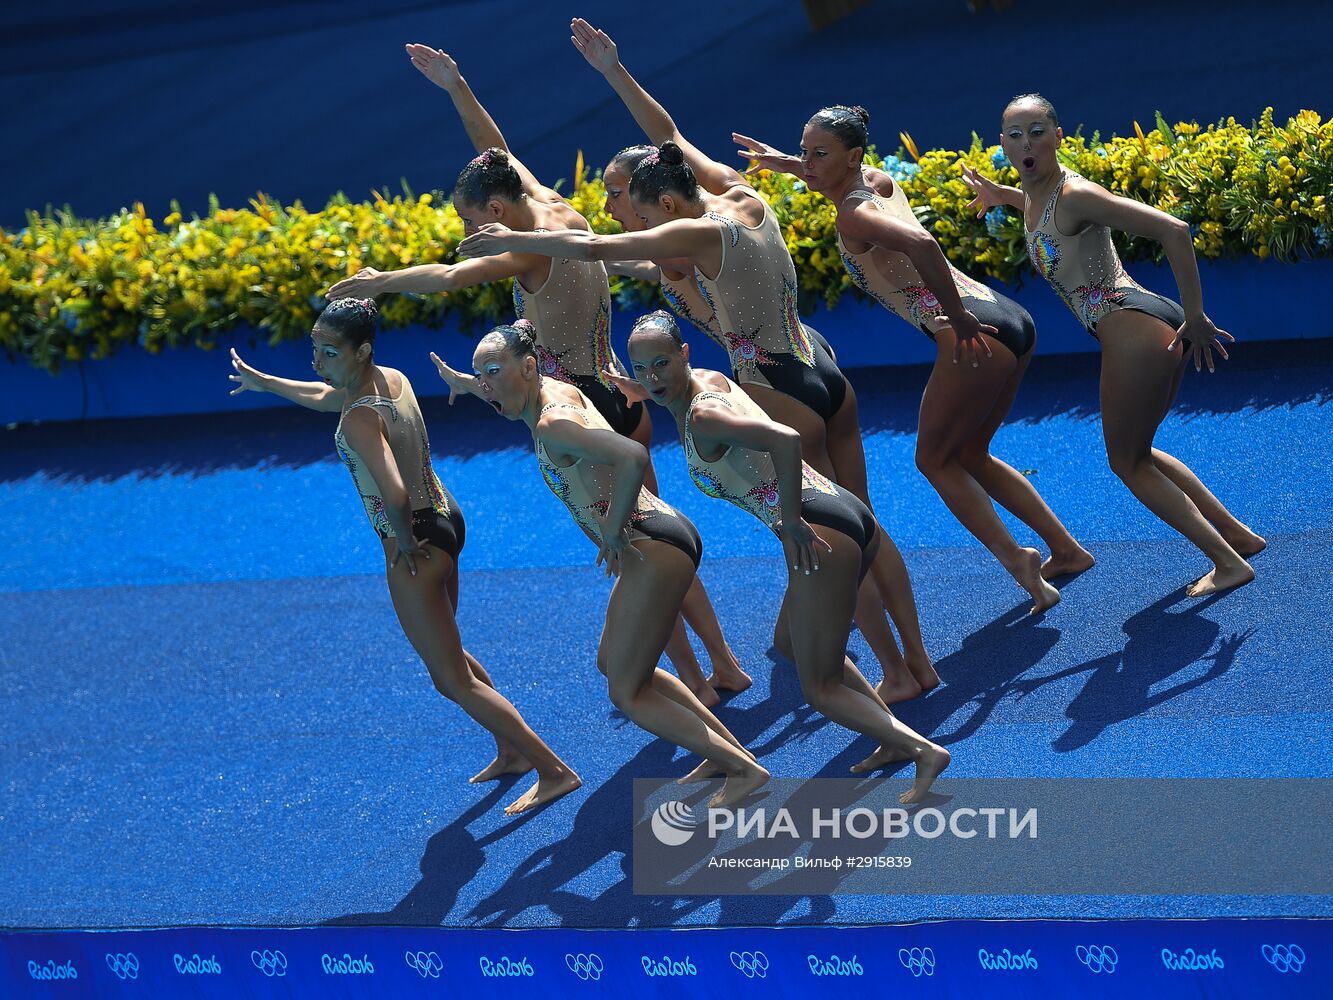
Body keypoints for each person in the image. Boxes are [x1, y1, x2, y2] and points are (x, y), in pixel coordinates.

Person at [465, 20, 939, 704]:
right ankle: (912, 660)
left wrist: (522, 242)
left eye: (618, 194)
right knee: (857, 521)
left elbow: (595, 244)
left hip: (777, 386)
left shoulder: (682, 232)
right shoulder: (738, 197)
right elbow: (670, 135)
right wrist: (613, 71)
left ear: (656, 194)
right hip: (818, 363)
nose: (609, 205)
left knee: (826, 535)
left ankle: (896, 672)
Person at [328, 45, 748, 702]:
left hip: (576, 412)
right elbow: (494, 151)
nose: (472, 231)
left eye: (473, 219)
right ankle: (720, 662)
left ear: (495, 212)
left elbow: (449, 277)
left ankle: (692, 682)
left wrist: (381, 282)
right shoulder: (554, 208)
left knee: (636, 554)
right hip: (621, 395)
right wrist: (457, 85)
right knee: (659, 529)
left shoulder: (523, 253)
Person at [227, 299, 580, 815]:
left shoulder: (357, 422)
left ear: (360, 351)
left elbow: (392, 494)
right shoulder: (390, 380)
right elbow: (329, 396)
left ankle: (552, 769)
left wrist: (402, 542)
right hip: (446, 516)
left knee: (449, 678)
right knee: (451, 651)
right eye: (315, 349)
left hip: (414, 542)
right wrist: (270, 383)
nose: (317, 362)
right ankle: (511, 749)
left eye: (329, 352)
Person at [734, 107, 1094, 613]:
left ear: (851, 155)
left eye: (818, 154)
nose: (807, 163)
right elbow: (839, 180)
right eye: (804, 151)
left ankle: (1020, 564)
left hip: (971, 333)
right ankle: (1067, 550)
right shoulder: (876, 182)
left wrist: (958, 320)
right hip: (1010, 318)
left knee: (933, 460)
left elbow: (922, 242)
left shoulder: (854, 215)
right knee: (970, 453)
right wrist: (784, 163)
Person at [432, 320, 769, 808]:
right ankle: (725, 753)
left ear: (528, 367)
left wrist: (611, 531)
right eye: (478, 375)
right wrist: (468, 383)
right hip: (660, 538)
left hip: (650, 546)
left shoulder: (551, 422)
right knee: (613, 663)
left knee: (627, 692)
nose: (485, 386)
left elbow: (633, 454)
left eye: (492, 372)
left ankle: (742, 769)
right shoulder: (552, 389)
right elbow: (505, 391)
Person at [616, 311, 951, 802]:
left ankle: (923, 750)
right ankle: (890, 738)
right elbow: (672, 392)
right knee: (790, 641)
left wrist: (791, 521)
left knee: (820, 687)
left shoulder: (704, 416)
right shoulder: (710, 381)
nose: (652, 378)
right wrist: (637, 386)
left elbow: (786, 438)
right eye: (641, 368)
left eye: (661, 364)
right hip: (847, 511)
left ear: (684, 354)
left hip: (817, 531)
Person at [963, 94, 1264, 597]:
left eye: (1037, 130)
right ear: (1002, 144)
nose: (1026, 143)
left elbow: (1174, 229)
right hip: (1142, 323)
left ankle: (1227, 563)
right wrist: (1002, 195)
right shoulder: (1038, 192)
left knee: (1126, 463)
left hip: (1133, 329)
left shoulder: (1076, 193)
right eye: (1015, 134)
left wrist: (1196, 315)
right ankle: (1237, 537)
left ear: (1059, 136)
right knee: (1140, 451)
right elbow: (1043, 216)